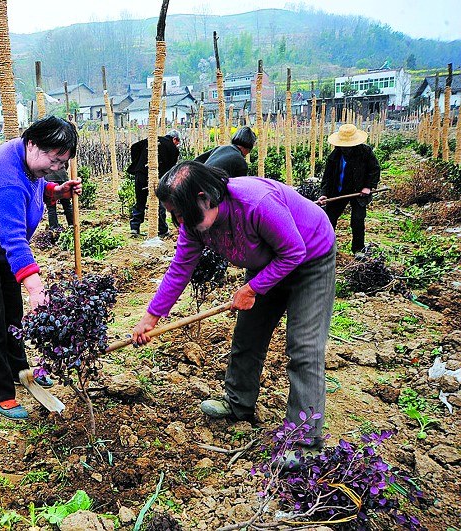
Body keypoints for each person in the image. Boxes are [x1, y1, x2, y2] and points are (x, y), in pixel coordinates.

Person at [132, 162, 336, 453]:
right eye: (174, 215)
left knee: (304, 348)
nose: (180, 222)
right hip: (268, 262)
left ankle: (303, 441)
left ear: (204, 198)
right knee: (247, 337)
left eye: (181, 213)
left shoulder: (256, 203)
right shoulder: (194, 225)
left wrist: (253, 288)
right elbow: (180, 269)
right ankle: (239, 403)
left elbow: (293, 252)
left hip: (309, 259)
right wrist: (150, 318)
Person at [0, 116, 82, 421]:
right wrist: (35, 286)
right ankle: (1, 393)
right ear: (33, 143)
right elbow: (14, 239)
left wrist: (52, 191)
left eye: (63, 162)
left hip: (0, 251)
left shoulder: (25, 156)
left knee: (12, 314)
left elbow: (32, 184)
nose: (56, 166)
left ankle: (20, 371)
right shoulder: (4, 178)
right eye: (54, 159)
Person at [317, 124, 381, 256]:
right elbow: (327, 178)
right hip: (338, 191)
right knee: (329, 218)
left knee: (357, 220)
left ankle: (358, 249)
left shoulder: (365, 152)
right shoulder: (334, 156)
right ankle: (326, 248)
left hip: (359, 192)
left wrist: (368, 187)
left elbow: (374, 169)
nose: (346, 148)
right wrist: (324, 194)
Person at [127, 130, 181, 237]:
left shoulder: (152, 140)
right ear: (174, 139)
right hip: (159, 177)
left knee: (140, 201)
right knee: (160, 203)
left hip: (141, 174)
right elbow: (171, 169)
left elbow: (134, 147)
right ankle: (162, 230)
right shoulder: (173, 149)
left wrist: (138, 163)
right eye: (177, 142)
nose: (177, 145)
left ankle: (134, 227)